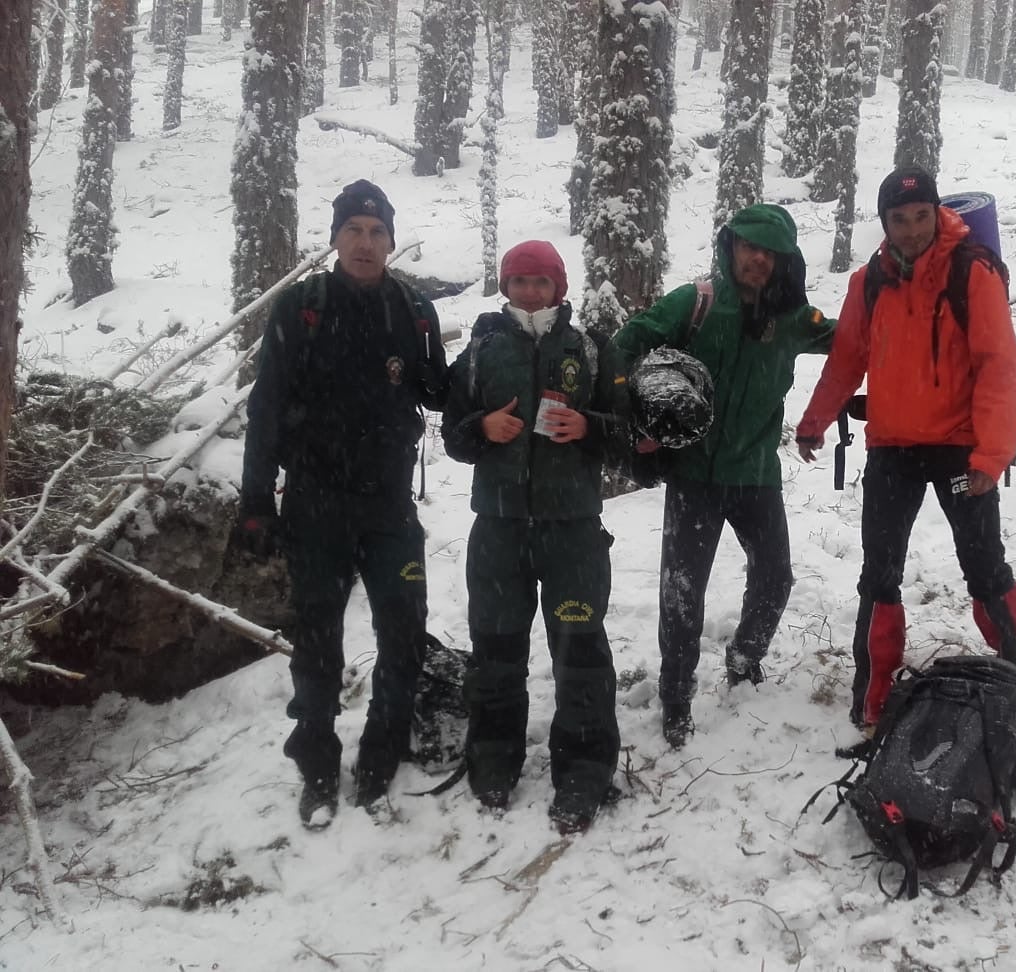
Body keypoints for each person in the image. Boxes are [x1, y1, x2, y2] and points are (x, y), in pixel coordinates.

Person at [794, 165, 1016, 734]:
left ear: (936, 213)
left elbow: (998, 368)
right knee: (879, 575)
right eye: (899, 219)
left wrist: (991, 456)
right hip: (893, 448)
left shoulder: (973, 271)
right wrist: (816, 420)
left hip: (962, 450)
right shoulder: (870, 279)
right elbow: (847, 358)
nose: (912, 229)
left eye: (921, 217)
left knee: (985, 569)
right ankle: (873, 696)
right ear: (884, 222)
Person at [237, 179, 448, 828]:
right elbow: (266, 406)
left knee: (404, 632)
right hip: (316, 505)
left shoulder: (412, 313)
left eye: (376, 231)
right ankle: (319, 769)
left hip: (388, 508)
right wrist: (255, 501)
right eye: (353, 230)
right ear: (334, 240)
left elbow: (441, 393)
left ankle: (381, 760)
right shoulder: (303, 308)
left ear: (390, 241)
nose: (365, 242)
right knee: (318, 644)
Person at [612, 204, 836, 749]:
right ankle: (676, 694)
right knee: (682, 593)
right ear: (730, 247)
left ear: (784, 259)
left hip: (757, 472)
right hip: (694, 475)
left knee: (775, 576)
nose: (756, 258)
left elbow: (850, 340)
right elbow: (624, 344)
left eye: (769, 251)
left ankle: (745, 656)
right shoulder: (697, 303)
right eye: (747, 247)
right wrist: (639, 416)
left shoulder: (792, 318)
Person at [441, 240, 627, 835]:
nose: (528, 292)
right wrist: (482, 426)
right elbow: (452, 435)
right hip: (497, 526)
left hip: (571, 527)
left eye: (540, 282)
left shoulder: (590, 349)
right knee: (496, 647)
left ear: (560, 288)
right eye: (518, 281)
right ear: (506, 287)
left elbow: (626, 430)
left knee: (579, 648)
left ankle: (585, 768)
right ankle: (493, 757)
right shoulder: (482, 348)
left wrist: (588, 426)